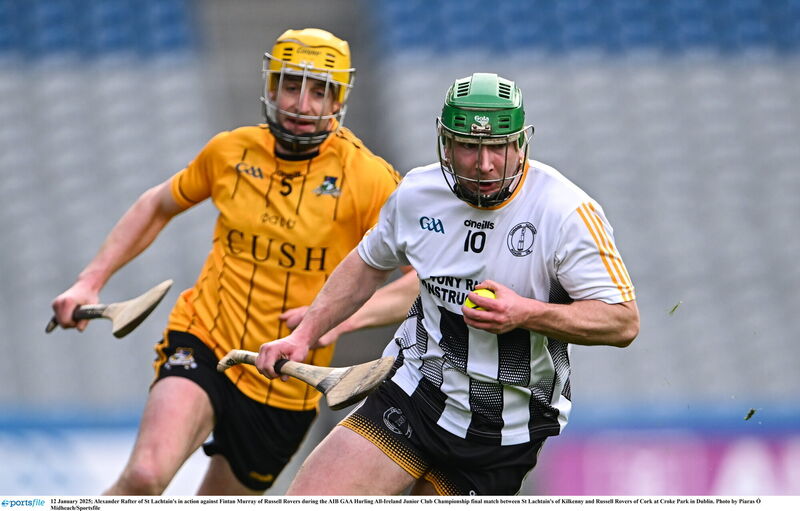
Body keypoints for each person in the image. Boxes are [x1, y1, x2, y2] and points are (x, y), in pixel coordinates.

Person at [50, 28, 411, 495]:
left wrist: (339, 321)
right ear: (270, 86)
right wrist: (89, 281)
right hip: (205, 337)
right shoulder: (230, 151)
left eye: (320, 90)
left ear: (340, 98)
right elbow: (158, 204)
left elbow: (421, 278)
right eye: (291, 85)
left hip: (287, 380)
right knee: (144, 476)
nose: (303, 104)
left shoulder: (372, 180)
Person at [255, 72, 640, 496]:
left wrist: (526, 313)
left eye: (498, 146)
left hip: (501, 432)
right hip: (414, 392)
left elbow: (621, 323)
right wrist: (306, 334)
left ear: (520, 143)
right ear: (446, 143)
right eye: (469, 147)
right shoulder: (418, 194)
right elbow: (367, 264)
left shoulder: (567, 212)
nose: (486, 163)